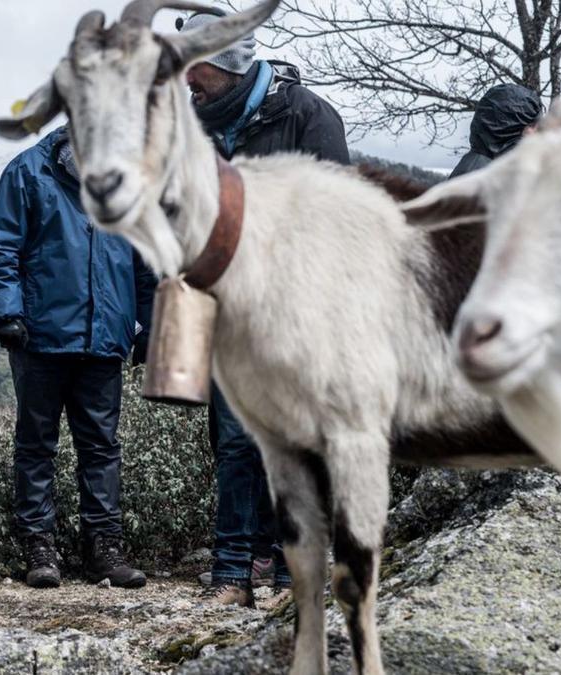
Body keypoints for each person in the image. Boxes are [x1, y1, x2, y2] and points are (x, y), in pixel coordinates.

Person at [179, 5, 350, 607]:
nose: (184, 81)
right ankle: (230, 571)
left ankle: (289, 571)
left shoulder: (306, 115)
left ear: (226, 61)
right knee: (232, 442)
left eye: (193, 67)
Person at [0, 126, 157, 590]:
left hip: (105, 340)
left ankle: (105, 548)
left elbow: (145, 264)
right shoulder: (27, 172)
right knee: (36, 445)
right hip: (40, 336)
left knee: (102, 446)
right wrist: (8, 313)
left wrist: (149, 326)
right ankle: (39, 547)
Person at [449, 83, 542, 178]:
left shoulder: (488, 169)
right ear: (508, 129)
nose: (537, 133)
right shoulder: (479, 180)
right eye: (532, 126)